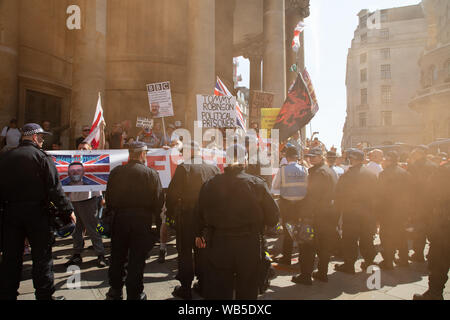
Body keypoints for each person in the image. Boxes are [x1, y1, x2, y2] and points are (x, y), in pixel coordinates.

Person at [0, 123, 75, 300]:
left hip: (10, 214)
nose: (42, 141)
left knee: (11, 258)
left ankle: (7, 294)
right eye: (41, 137)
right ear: (34, 137)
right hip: (37, 214)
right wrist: (67, 211)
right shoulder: (41, 157)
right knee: (42, 257)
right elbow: (54, 188)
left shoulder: (5, 157)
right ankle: (44, 295)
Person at [196, 144, 279, 300]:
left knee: (220, 288)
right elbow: (273, 216)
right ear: (245, 161)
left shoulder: (210, 184)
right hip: (249, 244)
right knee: (247, 288)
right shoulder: (257, 183)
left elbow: (199, 214)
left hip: (220, 243)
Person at [104, 141, 164, 300]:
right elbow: (158, 202)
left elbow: (108, 198)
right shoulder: (151, 173)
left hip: (120, 220)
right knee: (137, 259)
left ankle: (115, 290)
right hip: (141, 221)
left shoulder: (116, 172)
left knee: (118, 256)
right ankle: (135, 293)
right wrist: (158, 228)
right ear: (143, 154)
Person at [166, 141, 220, 300]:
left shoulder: (184, 168)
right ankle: (203, 284)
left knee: (184, 251)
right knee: (203, 250)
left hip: (188, 216)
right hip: (207, 218)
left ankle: (186, 288)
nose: (182, 156)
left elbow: (172, 195)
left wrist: (170, 215)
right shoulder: (213, 168)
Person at [292, 147, 338, 284]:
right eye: (309, 156)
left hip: (316, 215)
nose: (310, 159)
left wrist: (305, 215)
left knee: (307, 246)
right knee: (324, 246)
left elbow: (313, 197)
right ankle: (322, 273)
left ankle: (305, 276)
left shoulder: (319, 172)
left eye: (313, 156)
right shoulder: (328, 170)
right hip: (327, 214)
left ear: (321, 157)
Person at [334, 149, 378, 274]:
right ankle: (369, 263)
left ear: (352, 159)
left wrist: (338, 213)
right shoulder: (371, 175)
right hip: (368, 213)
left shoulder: (347, 175)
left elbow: (339, 195)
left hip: (351, 213)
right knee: (367, 239)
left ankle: (349, 265)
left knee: (350, 239)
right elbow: (377, 195)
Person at [413, 158, 450, 300]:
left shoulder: (444, 170)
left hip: (444, 226)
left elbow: (430, 195)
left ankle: (434, 294)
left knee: (439, 261)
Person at [64, 162, 107, 269]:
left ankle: (100, 255)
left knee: (92, 229)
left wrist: (100, 197)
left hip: (88, 201)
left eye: (78, 170)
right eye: (72, 170)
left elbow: (96, 184)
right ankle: (77, 254)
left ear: (83, 172)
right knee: (76, 230)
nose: (75, 172)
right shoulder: (69, 181)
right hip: (73, 202)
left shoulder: (89, 178)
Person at [271, 146, 308, 266]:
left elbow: (275, 186)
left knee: (288, 231)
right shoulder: (304, 169)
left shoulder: (282, 170)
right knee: (301, 230)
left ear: (286, 158)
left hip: (287, 205)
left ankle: (286, 258)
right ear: (297, 157)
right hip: (301, 205)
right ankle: (303, 258)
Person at [376, 151, 412, 269]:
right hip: (402, 210)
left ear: (389, 160)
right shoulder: (405, 173)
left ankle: (388, 260)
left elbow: (380, 195)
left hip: (388, 211)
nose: (383, 162)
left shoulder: (384, 174)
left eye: (384, 159)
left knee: (386, 236)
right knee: (401, 234)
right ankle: (404, 259)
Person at [407, 146, 438, 262]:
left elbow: (410, 186)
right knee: (432, 229)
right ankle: (432, 253)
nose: (413, 156)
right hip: (432, 203)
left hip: (418, 203)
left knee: (419, 230)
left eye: (414, 154)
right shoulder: (434, 166)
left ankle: (418, 254)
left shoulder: (414, 167)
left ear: (419, 154)